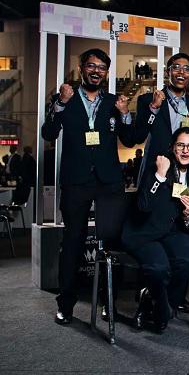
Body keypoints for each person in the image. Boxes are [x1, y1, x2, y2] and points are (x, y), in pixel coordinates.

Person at [41, 48, 134, 325]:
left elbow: (129, 140)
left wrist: (125, 114)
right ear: (81, 68)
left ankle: (109, 303)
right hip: (76, 181)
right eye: (91, 66)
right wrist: (59, 104)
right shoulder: (64, 98)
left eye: (102, 67)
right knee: (72, 242)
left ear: (106, 72)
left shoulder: (113, 102)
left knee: (112, 244)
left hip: (109, 181)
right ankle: (65, 305)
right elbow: (48, 134)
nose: (96, 71)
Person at [122, 127, 189, 332]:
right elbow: (143, 206)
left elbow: (187, 222)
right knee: (159, 269)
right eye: (180, 145)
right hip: (145, 233)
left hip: (172, 232)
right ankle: (161, 311)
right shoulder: (157, 167)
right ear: (172, 148)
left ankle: (154, 303)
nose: (186, 150)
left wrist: (187, 215)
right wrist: (159, 176)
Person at [133, 53, 189, 183]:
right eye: (176, 67)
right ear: (168, 72)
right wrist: (154, 108)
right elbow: (138, 136)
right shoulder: (147, 100)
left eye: (186, 69)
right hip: (156, 167)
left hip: (185, 171)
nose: (181, 72)